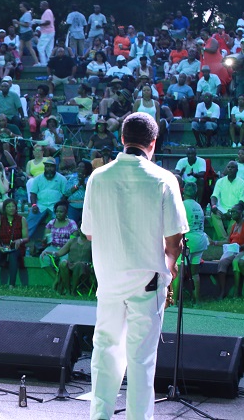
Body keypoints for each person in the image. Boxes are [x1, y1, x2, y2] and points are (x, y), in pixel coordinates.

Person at [81, 112, 188, 420]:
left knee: (105, 351)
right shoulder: (164, 179)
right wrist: (170, 268)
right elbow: (175, 238)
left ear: (122, 139)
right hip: (148, 280)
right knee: (141, 359)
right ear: (153, 143)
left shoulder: (98, 177)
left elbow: (89, 231)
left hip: (110, 278)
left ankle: (100, 415)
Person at [0, 198, 28, 287]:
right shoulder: (0, 219)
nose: (11, 208)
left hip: (17, 247)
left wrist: (20, 240)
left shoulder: (21, 219)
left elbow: (26, 238)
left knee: (13, 255)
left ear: (16, 208)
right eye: (8, 206)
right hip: (2, 245)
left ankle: (12, 284)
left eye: (13, 206)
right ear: (4, 209)